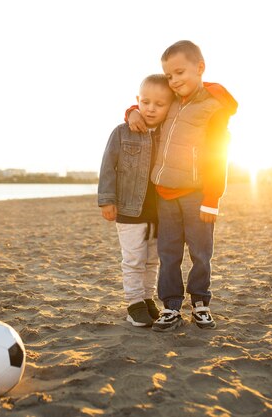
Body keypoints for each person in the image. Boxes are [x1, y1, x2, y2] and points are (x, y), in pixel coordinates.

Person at [125, 40, 238, 331]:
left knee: (200, 253)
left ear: (199, 68)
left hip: (197, 194)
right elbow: (150, 105)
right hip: (165, 195)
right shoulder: (172, 101)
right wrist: (132, 112)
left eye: (179, 72)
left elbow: (218, 155)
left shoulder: (213, 108)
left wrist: (212, 198)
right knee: (168, 254)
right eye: (169, 75)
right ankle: (171, 306)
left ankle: (200, 303)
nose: (173, 81)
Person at [98, 74, 175, 327]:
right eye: (145, 102)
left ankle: (147, 298)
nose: (151, 108)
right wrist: (107, 200)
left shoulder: (168, 132)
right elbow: (108, 166)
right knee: (133, 259)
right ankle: (133, 304)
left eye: (159, 104)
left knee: (153, 259)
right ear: (137, 101)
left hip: (159, 211)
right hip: (130, 210)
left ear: (170, 105)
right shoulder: (122, 132)